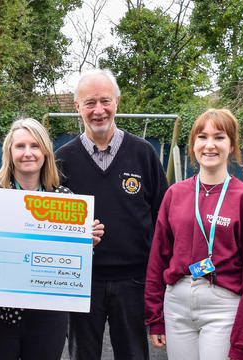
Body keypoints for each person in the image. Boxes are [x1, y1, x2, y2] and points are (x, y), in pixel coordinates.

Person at [55, 69, 168, 360]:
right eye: (89, 103)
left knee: (133, 355)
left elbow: (162, 219)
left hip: (134, 280)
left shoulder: (144, 154)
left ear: (117, 101)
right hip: (81, 279)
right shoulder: (61, 160)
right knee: (82, 355)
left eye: (105, 101)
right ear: (77, 107)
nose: (98, 110)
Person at [0, 118, 104, 360]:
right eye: (20, 146)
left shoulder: (65, 198)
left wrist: (87, 244)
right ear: (9, 153)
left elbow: (73, 262)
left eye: (34, 146)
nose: (27, 153)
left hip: (48, 313)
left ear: (45, 151)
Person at [144, 109, 243, 360]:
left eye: (219, 137)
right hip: (176, 306)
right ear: (192, 145)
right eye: (202, 137)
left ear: (232, 144)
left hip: (222, 308)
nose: (210, 145)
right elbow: (158, 257)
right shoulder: (175, 194)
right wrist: (155, 317)